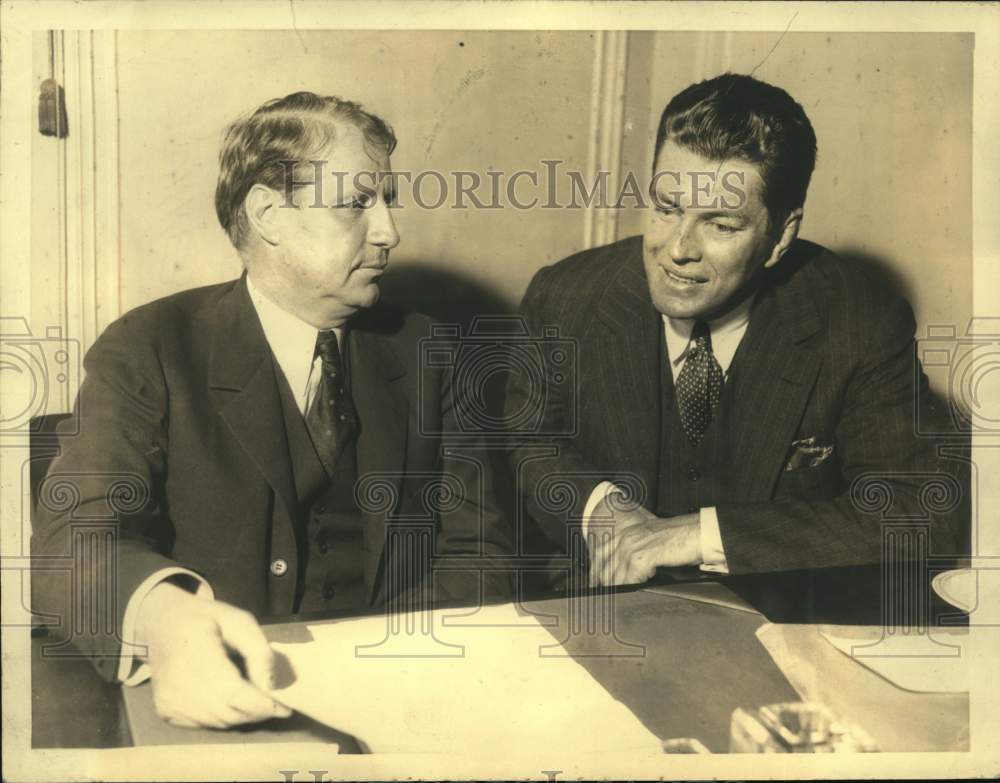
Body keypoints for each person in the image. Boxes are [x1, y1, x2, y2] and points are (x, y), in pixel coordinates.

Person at [32, 91, 512, 729]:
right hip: (216, 697)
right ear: (268, 215)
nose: (389, 233)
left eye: (388, 202)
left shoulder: (432, 351)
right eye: (356, 204)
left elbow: (482, 554)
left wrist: (387, 671)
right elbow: (72, 544)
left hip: (400, 690)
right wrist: (164, 619)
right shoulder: (150, 346)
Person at [506, 73, 967, 589]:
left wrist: (697, 536)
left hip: (778, 615)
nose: (677, 249)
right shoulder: (565, 297)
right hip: (603, 608)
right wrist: (601, 510)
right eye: (666, 208)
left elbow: (918, 511)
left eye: (721, 225)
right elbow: (530, 442)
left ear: (780, 237)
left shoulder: (860, 321)